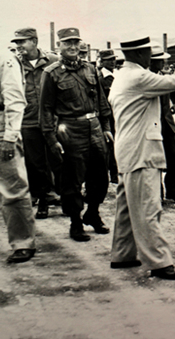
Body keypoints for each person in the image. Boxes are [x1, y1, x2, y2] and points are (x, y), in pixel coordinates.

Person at [108, 36, 175, 280]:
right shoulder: (138, 76)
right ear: (139, 54)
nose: (151, 57)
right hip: (141, 151)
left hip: (128, 149)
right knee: (148, 207)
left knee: (127, 208)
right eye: (148, 52)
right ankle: (159, 263)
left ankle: (123, 254)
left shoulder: (123, 75)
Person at [39, 27, 113, 242]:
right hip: (70, 129)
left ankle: (93, 213)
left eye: (75, 42)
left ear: (81, 45)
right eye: (67, 43)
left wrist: (106, 127)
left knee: (100, 175)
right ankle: (75, 222)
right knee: (71, 179)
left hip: (95, 127)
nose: (72, 47)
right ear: (59, 46)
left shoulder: (91, 69)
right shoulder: (51, 73)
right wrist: (51, 139)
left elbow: (101, 101)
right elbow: (45, 109)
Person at [0, 10, 37, 263]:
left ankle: (22, 243)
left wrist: (10, 136)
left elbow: (15, 100)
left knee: (11, 186)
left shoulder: (1, 56)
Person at [12, 28, 60, 219]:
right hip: (28, 120)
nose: (19, 46)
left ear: (34, 41)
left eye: (22, 41)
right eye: (16, 43)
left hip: (53, 120)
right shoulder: (14, 63)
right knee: (35, 162)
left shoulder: (53, 61)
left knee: (57, 158)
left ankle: (62, 194)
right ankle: (43, 198)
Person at [149, 46, 175, 203]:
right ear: (152, 62)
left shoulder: (165, 77)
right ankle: (157, 192)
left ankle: (172, 189)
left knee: (173, 156)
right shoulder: (146, 79)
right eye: (160, 60)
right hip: (151, 125)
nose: (163, 63)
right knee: (154, 158)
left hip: (167, 123)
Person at [98, 49, 118, 184]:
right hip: (105, 116)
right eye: (108, 60)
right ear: (102, 62)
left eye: (113, 59)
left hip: (117, 115)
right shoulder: (99, 78)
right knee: (107, 146)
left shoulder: (118, 76)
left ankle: (116, 174)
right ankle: (109, 175)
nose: (112, 62)